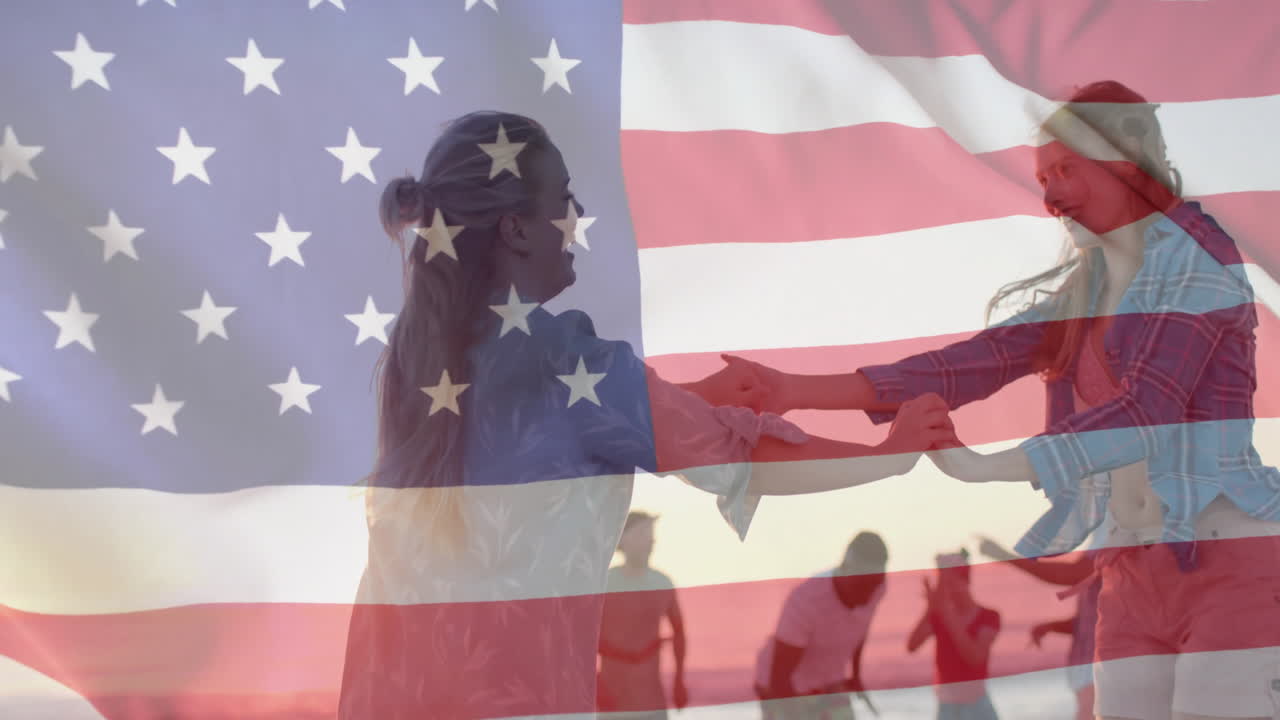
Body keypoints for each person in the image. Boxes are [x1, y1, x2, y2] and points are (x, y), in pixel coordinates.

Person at [335, 111, 956, 719]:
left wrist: (696, 395)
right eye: (565, 200)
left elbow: (548, 436)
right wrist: (889, 454)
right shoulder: (566, 358)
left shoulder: (417, 356)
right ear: (516, 230)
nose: (576, 222)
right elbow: (747, 459)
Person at [715, 80, 1280, 720]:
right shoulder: (1079, 298)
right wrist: (792, 391)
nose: (1050, 194)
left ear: (1127, 158)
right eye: (1043, 177)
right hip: (1128, 570)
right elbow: (962, 366)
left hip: (1225, 556)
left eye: (1067, 169)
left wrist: (983, 465)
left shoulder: (1202, 258)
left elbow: (1146, 412)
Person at [978, 518, 1113, 720]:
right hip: (1089, 673)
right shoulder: (1100, 540)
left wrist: (1004, 555)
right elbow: (1096, 617)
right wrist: (1054, 626)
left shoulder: (1114, 538)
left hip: (1102, 671)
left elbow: (1070, 575)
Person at [753, 531, 890, 720]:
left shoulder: (878, 587)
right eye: (862, 584)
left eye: (875, 582)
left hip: (828, 679)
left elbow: (859, 628)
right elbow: (779, 679)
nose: (868, 593)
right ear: (844, 570)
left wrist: (856, 675)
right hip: (782, 685)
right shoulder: (806, 602)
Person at [597, 512, 687, 719]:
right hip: (611, 697)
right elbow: (581, 639)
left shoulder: (662, 583)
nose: (649, 539)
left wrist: (679, 681)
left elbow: (679, 632)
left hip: (651, 697)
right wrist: (594, 683)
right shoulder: (605, 583)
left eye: (650, 534)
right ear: (622, 540)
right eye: (641, 533)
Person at [906, 550, 1000, 720]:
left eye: (949, 584)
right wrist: (931, 607)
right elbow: (912, 645)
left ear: (964, 582)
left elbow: (975, 657)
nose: (946, 591)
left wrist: (945, 613)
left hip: (976, 702)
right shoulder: (939, 615)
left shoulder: (989, 617)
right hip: (947, 704)